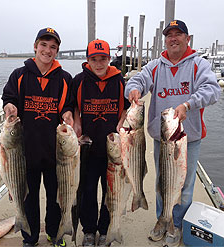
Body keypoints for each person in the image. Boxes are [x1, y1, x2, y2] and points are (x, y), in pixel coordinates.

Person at [125, 20, 221, 247]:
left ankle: (176, 223)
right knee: (163, 182)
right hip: (163, 137)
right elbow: (138, 78)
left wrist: (188, 105)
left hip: (189, 138)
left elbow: (212, 90)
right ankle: (163, 218)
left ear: (188, 39)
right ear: (165, 40)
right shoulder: (156, 66)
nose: (173, 38)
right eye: (169, 35)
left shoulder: (198, 64)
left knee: (184, 186)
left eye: (179, 34)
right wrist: (134, 89)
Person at [2, 27, 73, 247]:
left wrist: (68, 113)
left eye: (53, 47)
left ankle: (54, 233)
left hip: (55, 154)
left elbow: (67, 106)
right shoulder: (19, 75)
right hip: (25, 153)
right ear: (35, 46)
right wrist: (10, 106)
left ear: (57, 51)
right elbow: (8, 97)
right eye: (43, 45)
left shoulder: (64, 78)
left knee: (55, 199)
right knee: (28, 198)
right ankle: (30, 237)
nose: (47, 50)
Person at [69, 39, 130, 247]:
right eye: (94, 59)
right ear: (88, 60)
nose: (98, 63)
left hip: (112, 149)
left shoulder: (119, 81)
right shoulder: (79, 81)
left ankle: (104, 230)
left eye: (102, 58)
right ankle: (88, 231)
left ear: (109, 59)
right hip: (87, 148)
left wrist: (121, 126)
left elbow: (126, 108)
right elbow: (73, 106)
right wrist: (76, 121)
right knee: (87, 191)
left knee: (109, 192)